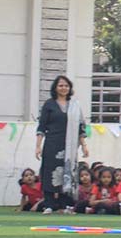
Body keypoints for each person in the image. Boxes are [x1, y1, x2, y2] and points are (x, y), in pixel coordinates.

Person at [34, 75, 88, 214]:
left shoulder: (75, 105)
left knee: (68, 172)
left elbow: (81, 127)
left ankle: (65, 205)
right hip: (52, 143)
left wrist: (84, 145)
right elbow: (42, 126)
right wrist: (38, 146)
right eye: (61, 85)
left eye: (66, 86)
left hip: (70, 146)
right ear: (55, 88)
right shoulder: (49, 104)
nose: (63, 88)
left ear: (69, 88)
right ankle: (49, 204)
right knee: (49, 172)